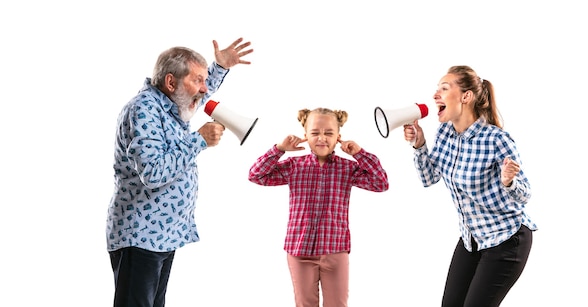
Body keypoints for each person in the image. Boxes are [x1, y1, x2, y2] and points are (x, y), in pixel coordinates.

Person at [106, 37, 253, 307]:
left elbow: (199, 96)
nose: (204, 88)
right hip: (141, 235)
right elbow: (152, 173)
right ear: (171, 82)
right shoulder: (144, 111)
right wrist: (198, 140)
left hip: (161, 235)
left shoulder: (172, 105)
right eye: (198, 79)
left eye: (204, 79)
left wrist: (219, 67)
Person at [403, 65, 537, 307]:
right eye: (437, 89)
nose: (435, 95)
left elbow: (525, 194)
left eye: (444, 88)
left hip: (506, 239)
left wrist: (509, 181)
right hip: (471, 238)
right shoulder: (445, 132)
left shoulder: (496, 139)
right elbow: (429, 178)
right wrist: (419, 145)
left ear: (466, 97)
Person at [249, 108, 389, 307]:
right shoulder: (293, 166)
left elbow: (381, 183)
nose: (322, 138)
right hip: (299, 250)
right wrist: (279, 149)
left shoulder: (348, 168)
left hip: (336, 249)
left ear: (338, 137)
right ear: (305, 136)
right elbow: (256, 175)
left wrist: (360, 154)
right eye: (315, 133)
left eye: (329, 133)